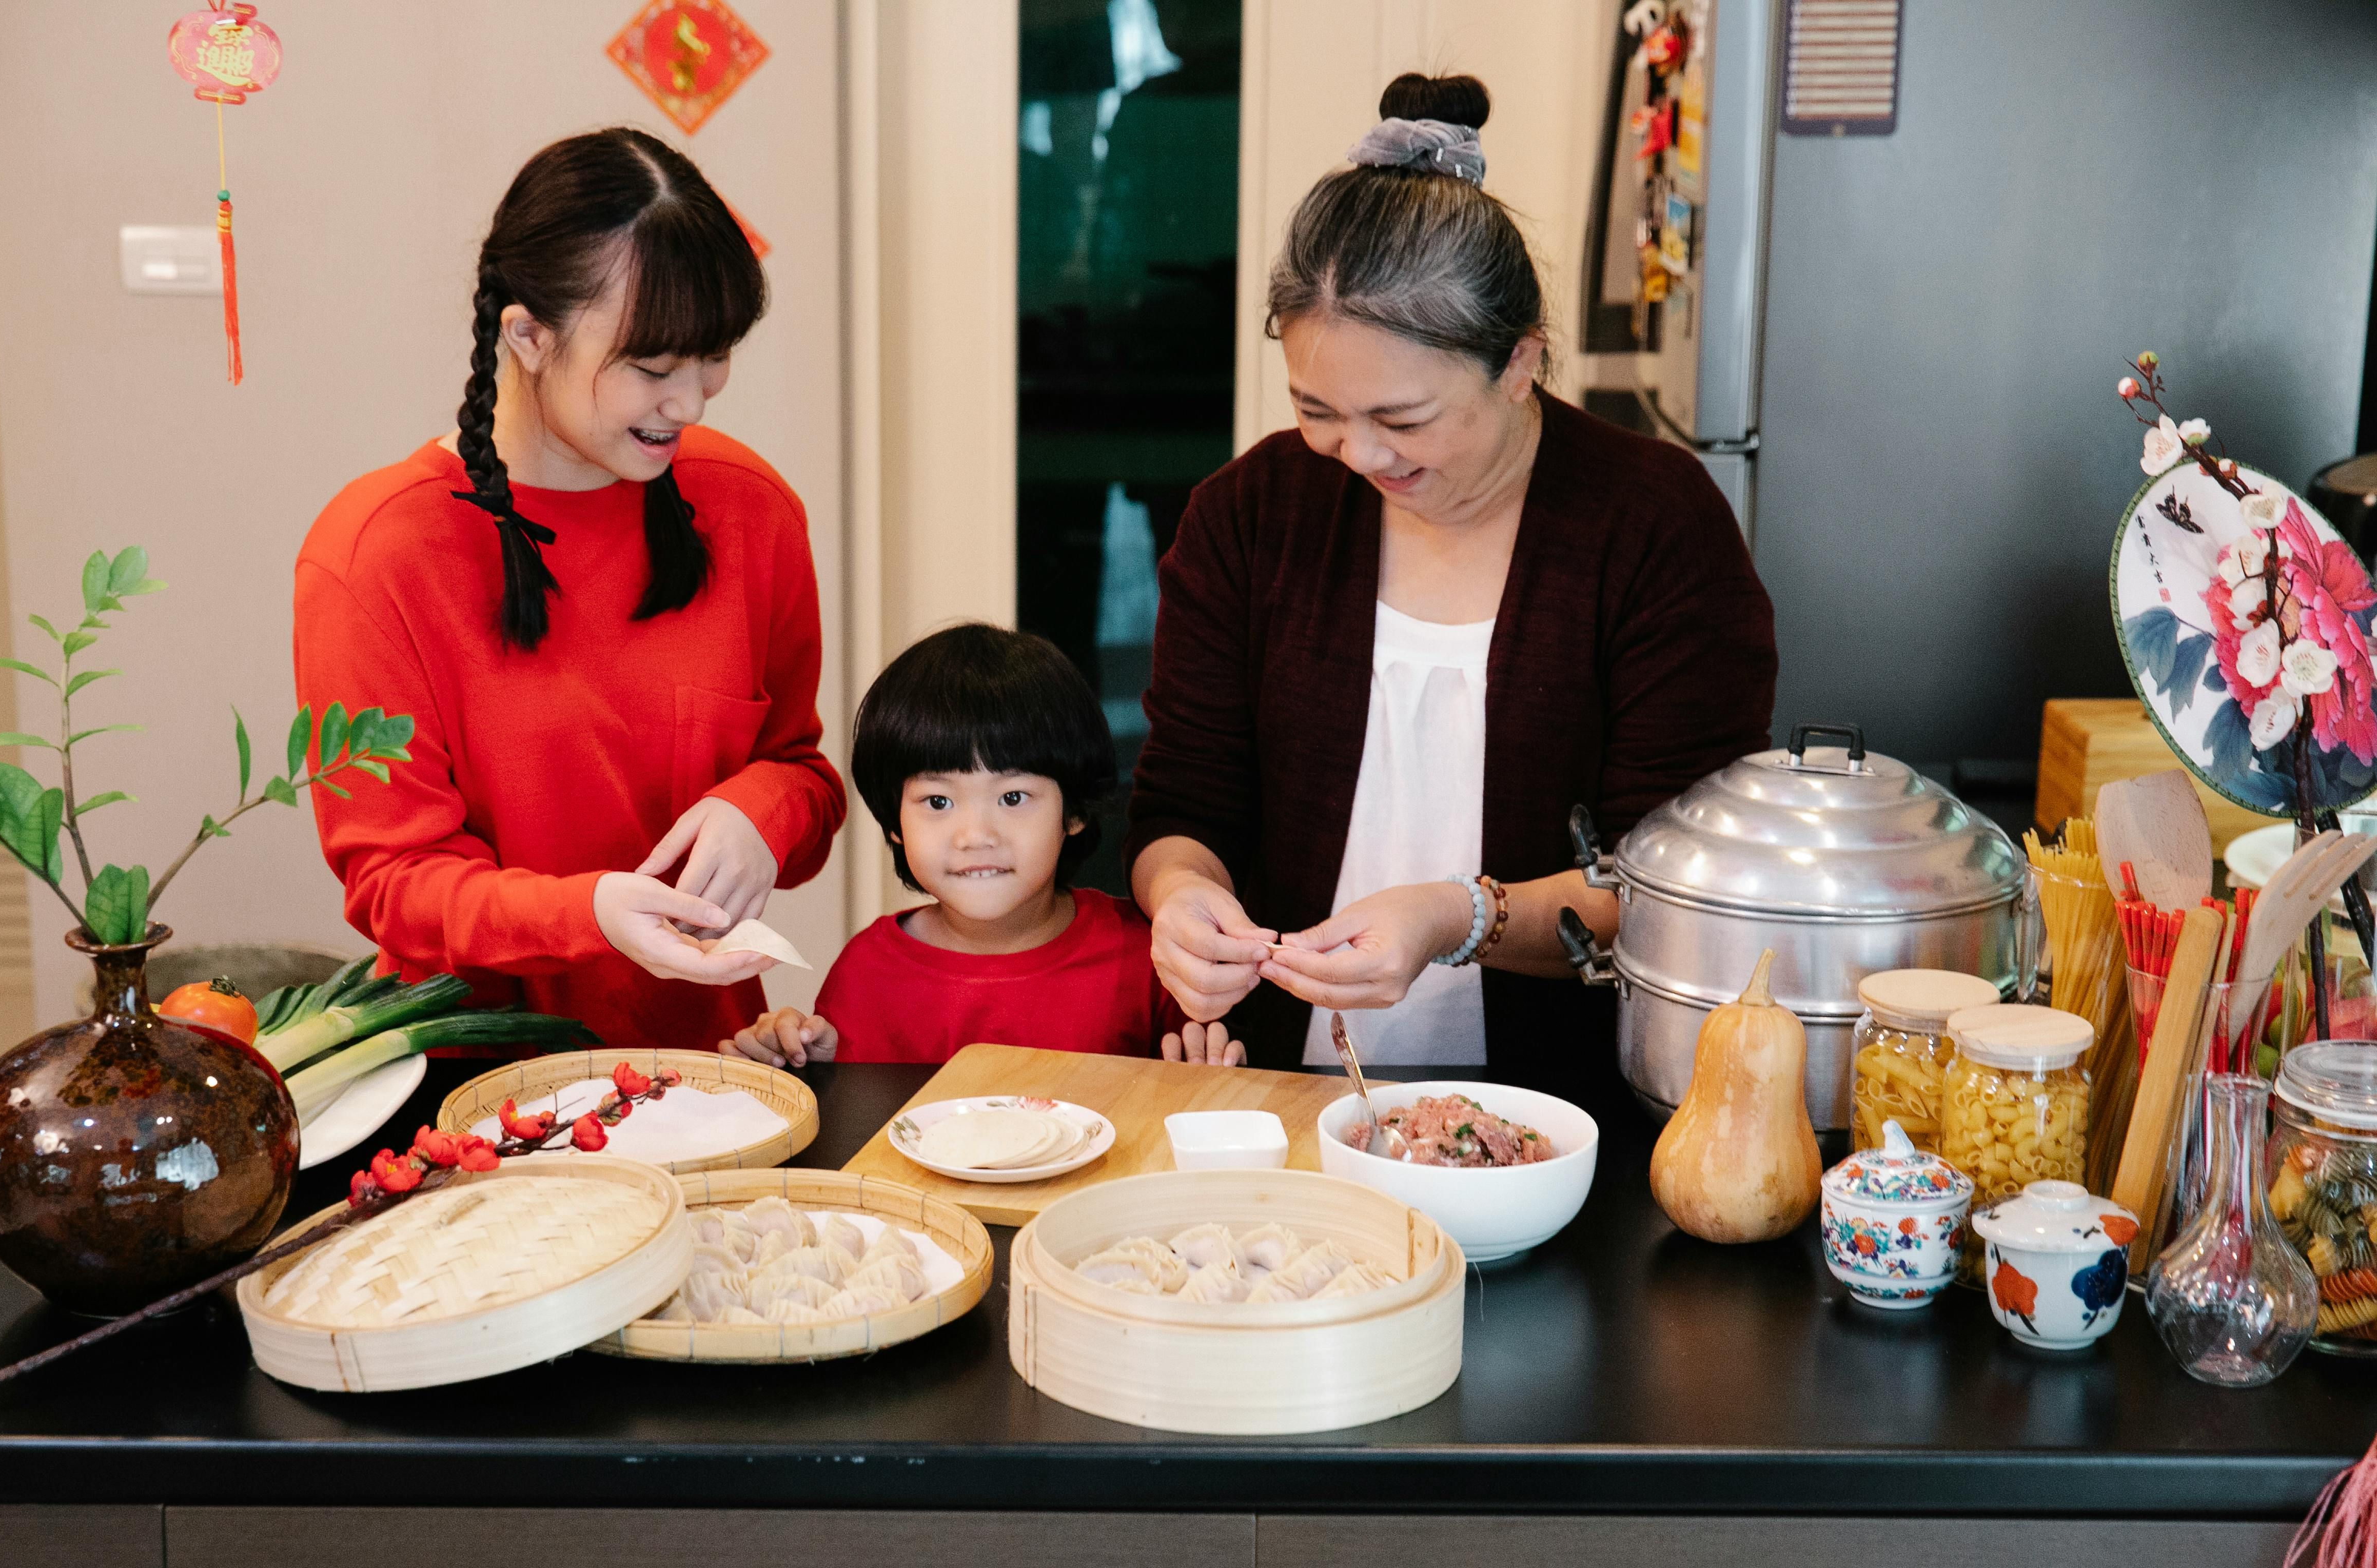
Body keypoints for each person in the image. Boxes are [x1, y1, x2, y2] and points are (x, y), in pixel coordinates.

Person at [1126, 73, 1778, 1075]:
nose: (1355, 456)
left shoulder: (1653, 524)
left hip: (1565, 1112)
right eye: (1317, 409)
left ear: (1521, 363)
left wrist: (1461, 917)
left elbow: (1679, 888)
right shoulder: (1253, 513)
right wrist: (1182, 897)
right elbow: (1185, 805)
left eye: (1402, 420)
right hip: (1282, 1093)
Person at [293, 129, 843, 1050]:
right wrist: (586, 914)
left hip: (712, 1071)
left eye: (715, 357)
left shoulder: (749, 509)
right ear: (528, 335)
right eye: (654, 369)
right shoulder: (376, 553)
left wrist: (761, 813)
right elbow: (392, 884)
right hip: (475, 1081)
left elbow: (802, 772)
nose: (695, 402)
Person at [725, 624, 1241, 1068]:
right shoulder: (867, 974)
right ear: (894, 824)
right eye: (938, 802)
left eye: (1013, 797)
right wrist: (798, 1063)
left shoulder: (1146, 954)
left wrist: (1204, 1084)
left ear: (1076, 811)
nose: (975, 835)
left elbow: (1189, 1101)